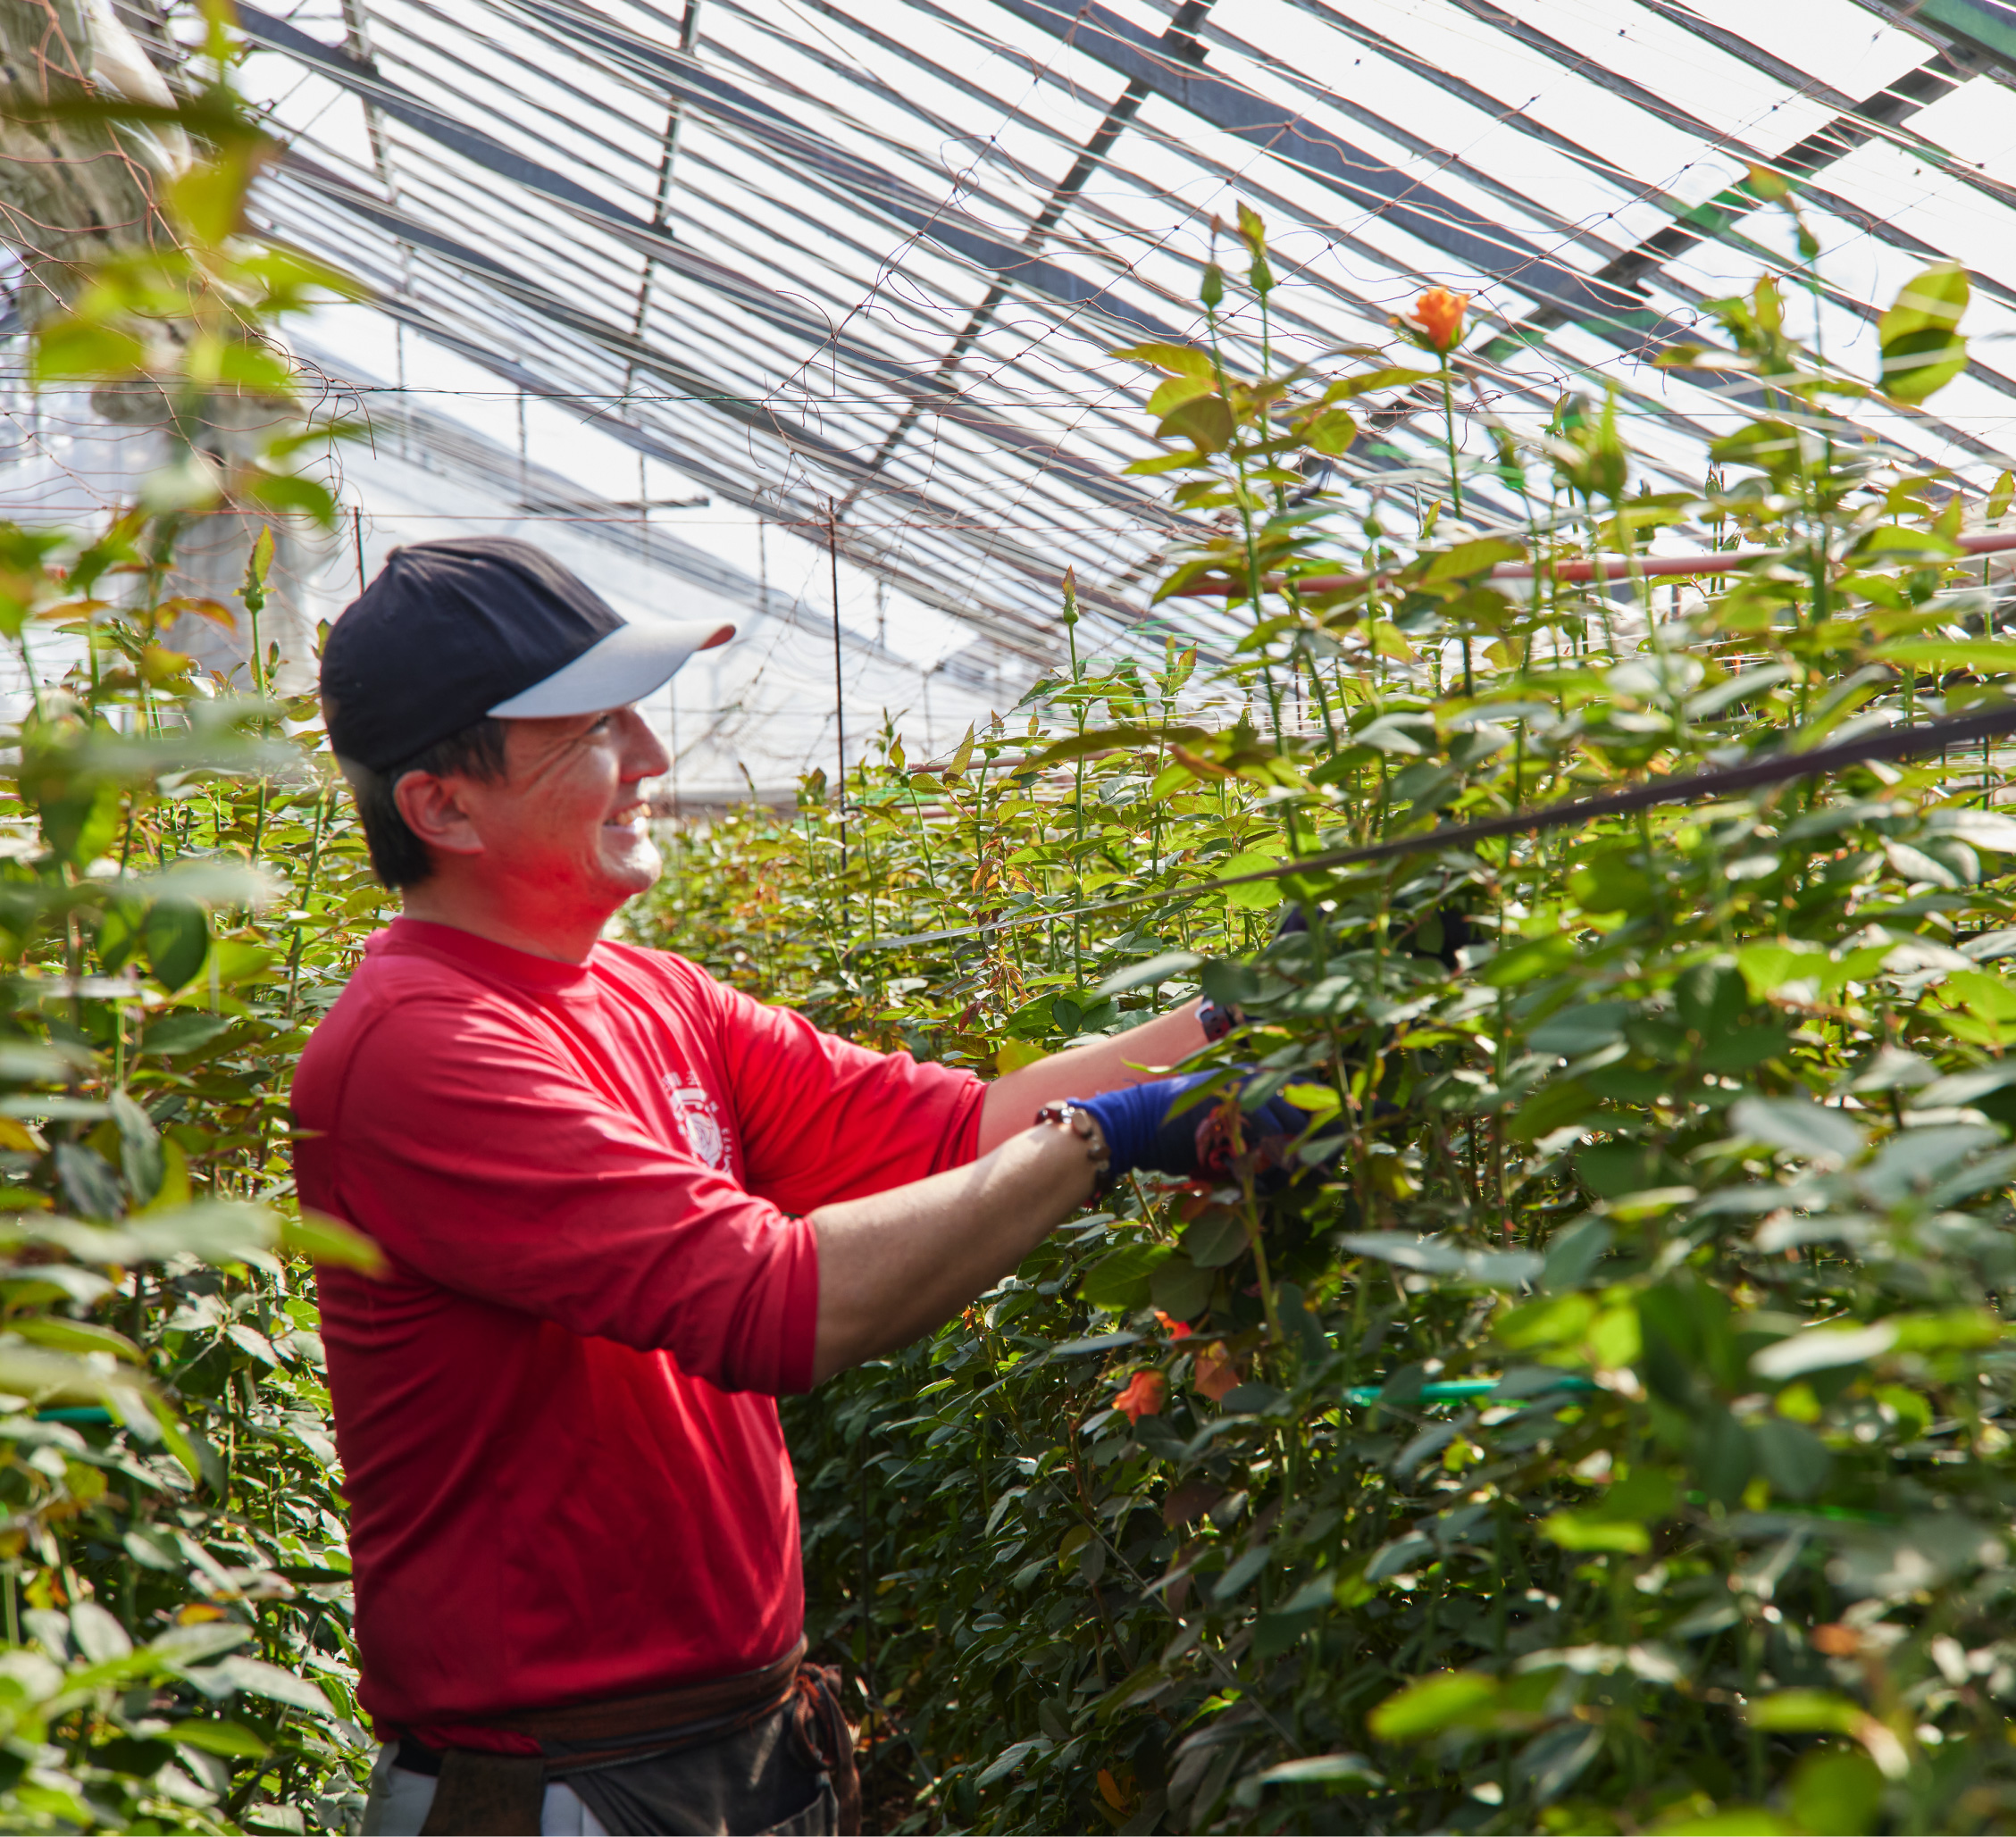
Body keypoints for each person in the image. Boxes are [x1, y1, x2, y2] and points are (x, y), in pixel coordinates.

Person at [296, 539, 1290, 1836]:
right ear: (442, 807)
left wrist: (1247, 1010)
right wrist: (1101, 1138)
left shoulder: (652, 993)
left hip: (731, 1743)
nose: (650, 756)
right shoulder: (422, 1049)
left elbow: (955, 1129)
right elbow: (777, 1305)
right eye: (594, 729)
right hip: (556, 1790)